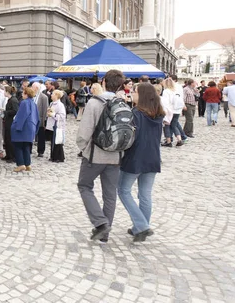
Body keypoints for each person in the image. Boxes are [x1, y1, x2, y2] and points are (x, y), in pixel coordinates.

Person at [76, 69, 126, 242]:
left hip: (95, 155)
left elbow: (84, 132)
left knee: (84, 186)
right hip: (115, 156)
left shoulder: (94, 103)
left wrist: (83, 148)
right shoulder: (122, 103)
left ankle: (100, 223)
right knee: (110, 194)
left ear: (104, 81)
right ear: (120, 85)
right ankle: (105, 233)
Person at [118, 83, 164, 242]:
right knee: (145, 194)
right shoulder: (158, 114)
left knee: (123, 190)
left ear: (142, 95)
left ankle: (142, 225)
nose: (132, 93)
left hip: (136, 157)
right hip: (152, 156)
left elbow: (129, 138)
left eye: (134, 91)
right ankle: (140, 227)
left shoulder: (136, 114)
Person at [11, 87, 39, 172]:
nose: (22, 95)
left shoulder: (24, 103)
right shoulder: (34, 103)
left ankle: (21, 164)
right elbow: (37, 117)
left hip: (23, 128)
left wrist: (16, 127)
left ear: (26, 94)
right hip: (31, 128)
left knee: (18, 145)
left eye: (23, 93)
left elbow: (21, 116)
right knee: (26, 146)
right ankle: (27, 164)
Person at [160, 78, 184, 147]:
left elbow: (165, 102)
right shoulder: (176, 90)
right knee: (174, 125)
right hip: (177, 110)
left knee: (166, 125)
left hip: (169, 110)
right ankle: (179, 139)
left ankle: (168, 141)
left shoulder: (166, 91)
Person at [47, 90, 67, 163]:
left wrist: (53, 115)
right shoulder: (52, 103)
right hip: (51, 125)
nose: (51, 95)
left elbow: (62, 116)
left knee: (57, 142)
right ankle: (53, 156)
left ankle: (58, 157)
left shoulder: (60, 105)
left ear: (56, 96)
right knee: (52, 141)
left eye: (52, 94)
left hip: (57, 125)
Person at [2, 86, 19, 163]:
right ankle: (8, 155)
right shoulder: (10, 100)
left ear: (7, 92)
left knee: (10, 139)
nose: (3, 92)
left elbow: (15, 111)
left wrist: (6, 112)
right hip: (8, 121)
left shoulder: (14, 100)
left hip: (11, 122)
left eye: (4, 91)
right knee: (7, 139)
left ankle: (12, 156)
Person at [34, 82, 49, 158]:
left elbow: (45, 109)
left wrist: (44, 121)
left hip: (40, 119)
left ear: (36, 88)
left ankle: (40, 151)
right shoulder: (31, 96)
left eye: (33, 87)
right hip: (31, 119)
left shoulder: (44, 97)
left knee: (41, 136)